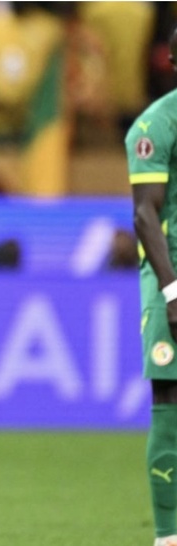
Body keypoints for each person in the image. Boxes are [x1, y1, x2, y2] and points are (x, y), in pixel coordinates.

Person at [125, 25, 177, 546]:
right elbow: (145, 214)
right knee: (170, 393)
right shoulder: (155, 125)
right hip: (172, 274)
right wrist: (172, 290)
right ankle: (168, 535)